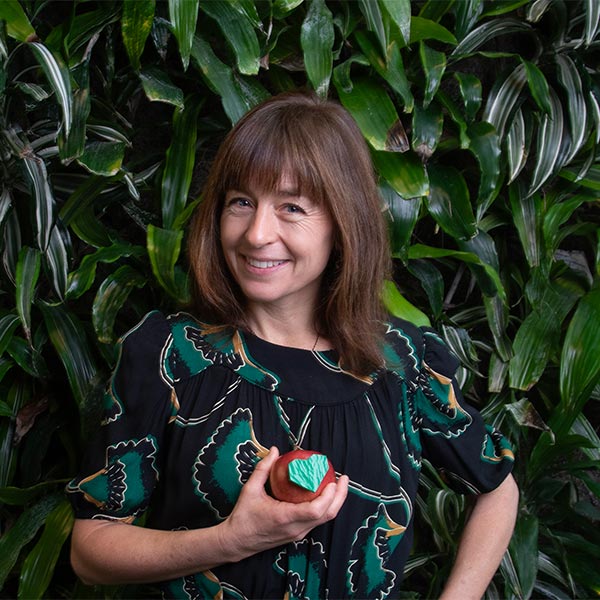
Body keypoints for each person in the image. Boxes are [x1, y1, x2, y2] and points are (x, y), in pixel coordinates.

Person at [67, 91, 518, 599]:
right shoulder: (169, 356)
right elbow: (90, 551)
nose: (257, 233)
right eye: (241, 202)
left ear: (342, 223)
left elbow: (497, 488)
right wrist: (230, 540)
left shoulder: (402, 361)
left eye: (292, 207)